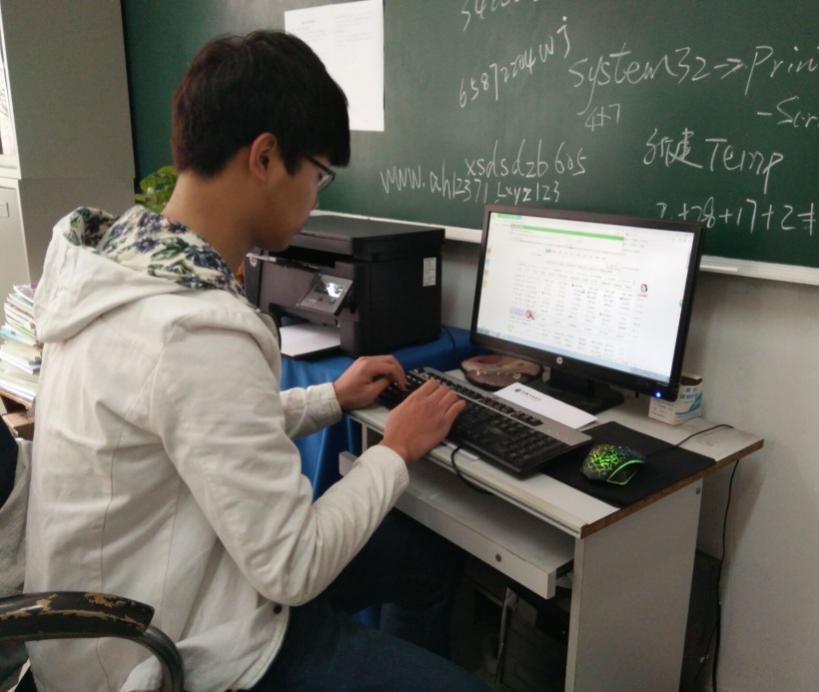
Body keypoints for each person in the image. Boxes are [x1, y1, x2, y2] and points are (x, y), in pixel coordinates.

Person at [24, 31, 486, 691]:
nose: (316, 198)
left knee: (421, 558)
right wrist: (396, 450)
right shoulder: (192, 327)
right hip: (168, 654)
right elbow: (294, 567)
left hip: (111, 618)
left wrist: (330, 398)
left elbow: (198, 424)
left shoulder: (118, 271)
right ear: (265, 157)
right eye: (317, 174)